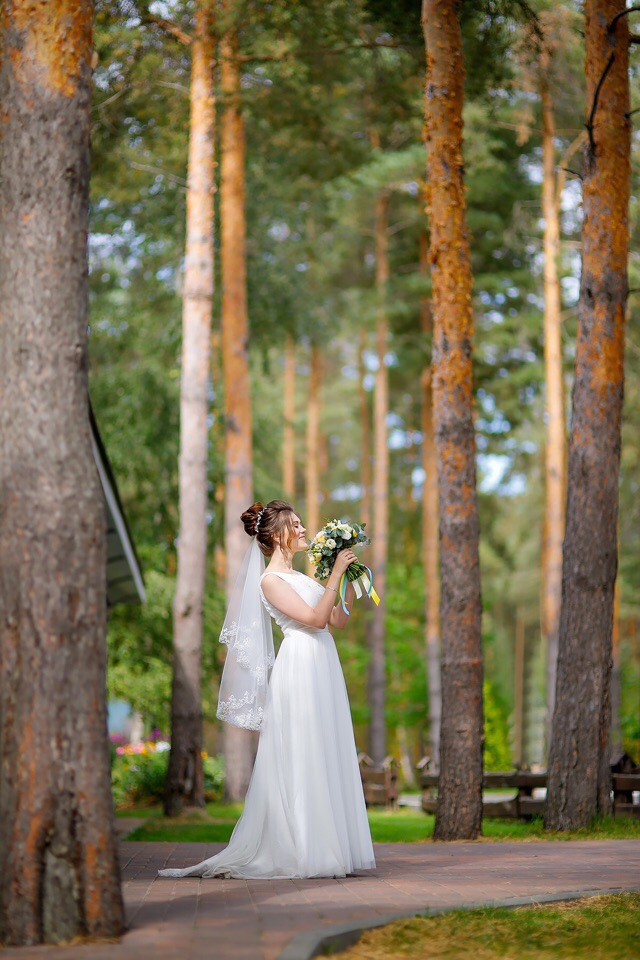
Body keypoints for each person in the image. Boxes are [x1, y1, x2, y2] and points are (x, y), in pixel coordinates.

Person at [158, 499, 375, 879]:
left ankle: (333, 845)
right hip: (301, 667)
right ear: (276, 536)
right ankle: (307, 849)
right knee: (304, 747)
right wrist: (335, 573)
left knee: (326, 744)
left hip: (324, 664)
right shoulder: (270, 582)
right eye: (296, 524)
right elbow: (314, 619)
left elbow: (338, 619)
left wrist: (350, 579)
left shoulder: (305, 579)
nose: (305, 529)